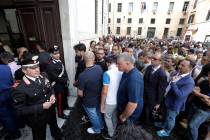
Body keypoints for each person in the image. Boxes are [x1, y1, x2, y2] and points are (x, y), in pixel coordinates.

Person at [12, 54, 63, 140]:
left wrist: (53, 95)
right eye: (32, 68)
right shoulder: (20, 89)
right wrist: (41, 106)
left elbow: (50, 88)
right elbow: (19, 110)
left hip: (50, 111)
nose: (37, 70)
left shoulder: (44, 75)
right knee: (39, 135)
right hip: (37, 118)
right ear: (24, 70)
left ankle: (57, 136)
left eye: (37, 66)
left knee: (54, 127)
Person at [155, 59, 195, 137]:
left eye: (183, 65)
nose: (179, 66)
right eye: (180, 64)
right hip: (167, 99)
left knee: (170, 119)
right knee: (165, 114)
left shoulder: (190, 82)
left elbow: (180, 95)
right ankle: (163, 124)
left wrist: (173, 83)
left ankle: (167, 131)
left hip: (174, 104)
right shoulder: (177, 73)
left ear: (190, 69)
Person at [77, 51, 104, 134]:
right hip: (98, 97)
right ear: (94, 58)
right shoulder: (99, 68)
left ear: (84, 60)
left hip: (88, 100)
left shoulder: (82, 75)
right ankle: (101, 126)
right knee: (98, 113)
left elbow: (80, 93)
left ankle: (97, 129)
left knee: (93, 116)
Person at [117, 53, 144, 124]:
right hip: (123, 109)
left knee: (126, 132)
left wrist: (123, 116)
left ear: (128, 63)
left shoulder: (134, 78)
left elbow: (132, 103)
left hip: (129, 115)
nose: (117, 66)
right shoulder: (125, 72)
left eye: (119, 64)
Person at [100, 56, 122, 139]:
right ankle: (115, 130)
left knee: (107, 117)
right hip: (118, 100)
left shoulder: (107, 73)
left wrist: (102, 104)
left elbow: (104, 91)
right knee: (114, 116)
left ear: (107, 63)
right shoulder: (120, 71)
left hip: (109, 101)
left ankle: (111, 134)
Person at [46, 45, 71, 119]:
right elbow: (55, 77)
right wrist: (65, 80)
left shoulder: (59, 61)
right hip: (58, 85)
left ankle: (66, 107)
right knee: (59, 100)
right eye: (55, 53)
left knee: (64, 97)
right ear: (51, 54)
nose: (58, 55)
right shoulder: (50, 64)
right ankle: (60, 114)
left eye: (58, 53)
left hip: (63, 83)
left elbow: (64, 71)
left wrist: (67, 79)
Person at [143, 52, 168, 124]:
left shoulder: (162, 74)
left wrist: (158, 102)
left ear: (160, 61)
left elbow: (161, 90)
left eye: (155, 59)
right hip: (144, 94)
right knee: (143, 110)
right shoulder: (149, 67)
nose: (152, 60)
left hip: (152, 98)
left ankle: (146, 126)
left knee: (148, 113)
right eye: (152, 58)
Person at [188, 70, 210, 140]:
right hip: (194, 105)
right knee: (189, 124)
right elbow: (193, 90)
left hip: (204, 111)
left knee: (193, 126)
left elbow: (208, 103)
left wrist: (198, 94)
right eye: (209, 74)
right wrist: (203, 96)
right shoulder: (204, 82)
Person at [0, 64, 21, 140]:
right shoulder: (5, 67)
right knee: (13, 110)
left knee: (6, 117)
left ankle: (15, 134)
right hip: (10, 93)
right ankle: (20, 125)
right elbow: (12, 80)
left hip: (1, 97)